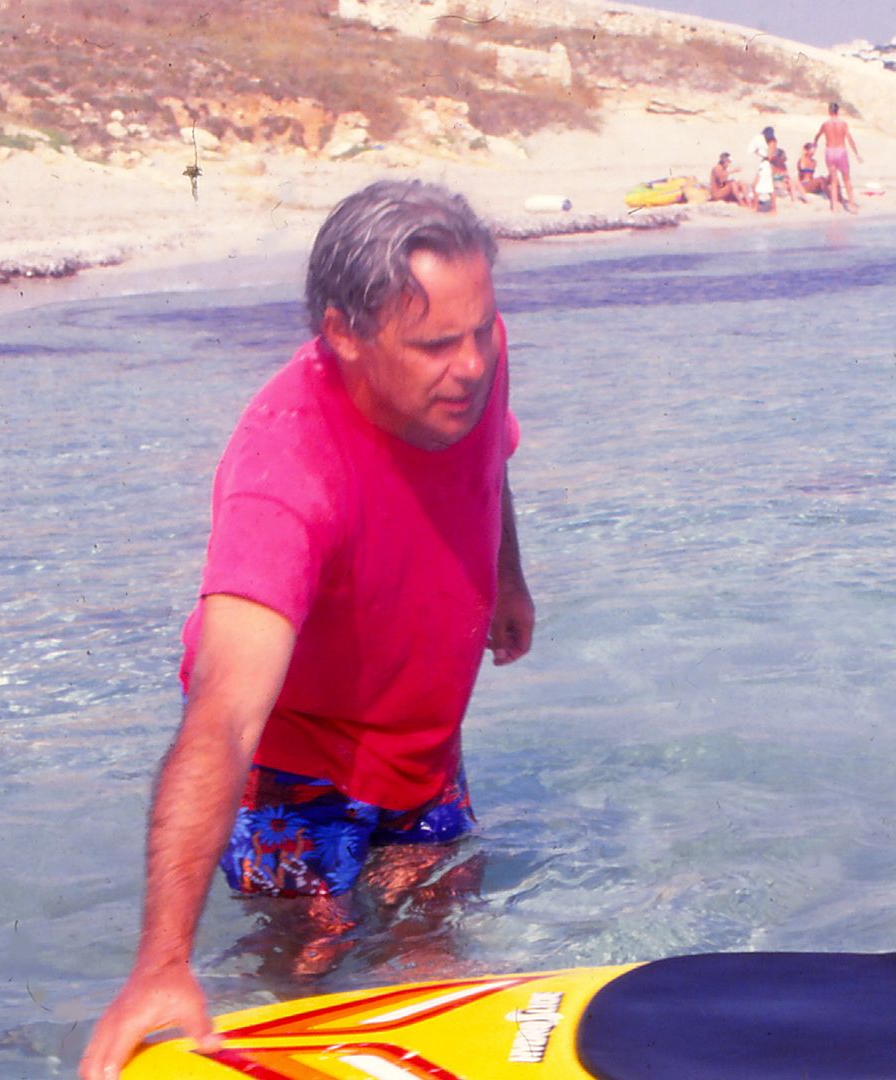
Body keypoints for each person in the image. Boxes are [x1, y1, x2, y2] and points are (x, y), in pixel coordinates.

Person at [79, 179, 536, 1079]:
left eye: (482, 328)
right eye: (439, 344)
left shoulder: (470, 353)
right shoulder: (285, 474)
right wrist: (160, 965)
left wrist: (508, 577)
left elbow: (489, 456)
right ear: (344, 334)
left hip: (424, 750)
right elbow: (222, 719)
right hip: (297, 775)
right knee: (307, 984)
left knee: (435, 960)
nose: (474, 364)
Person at [812, 102, 863, 213]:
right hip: (841, 151)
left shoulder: (825, 124)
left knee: (834, 180)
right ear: (838, 111)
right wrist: (857, 154)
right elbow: (849, 139)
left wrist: (814, 145)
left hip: (830, 152)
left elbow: (817, 136)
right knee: (847, 180)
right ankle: (852, 205)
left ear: (829, 111)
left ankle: (834, 207)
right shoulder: (843, 124)